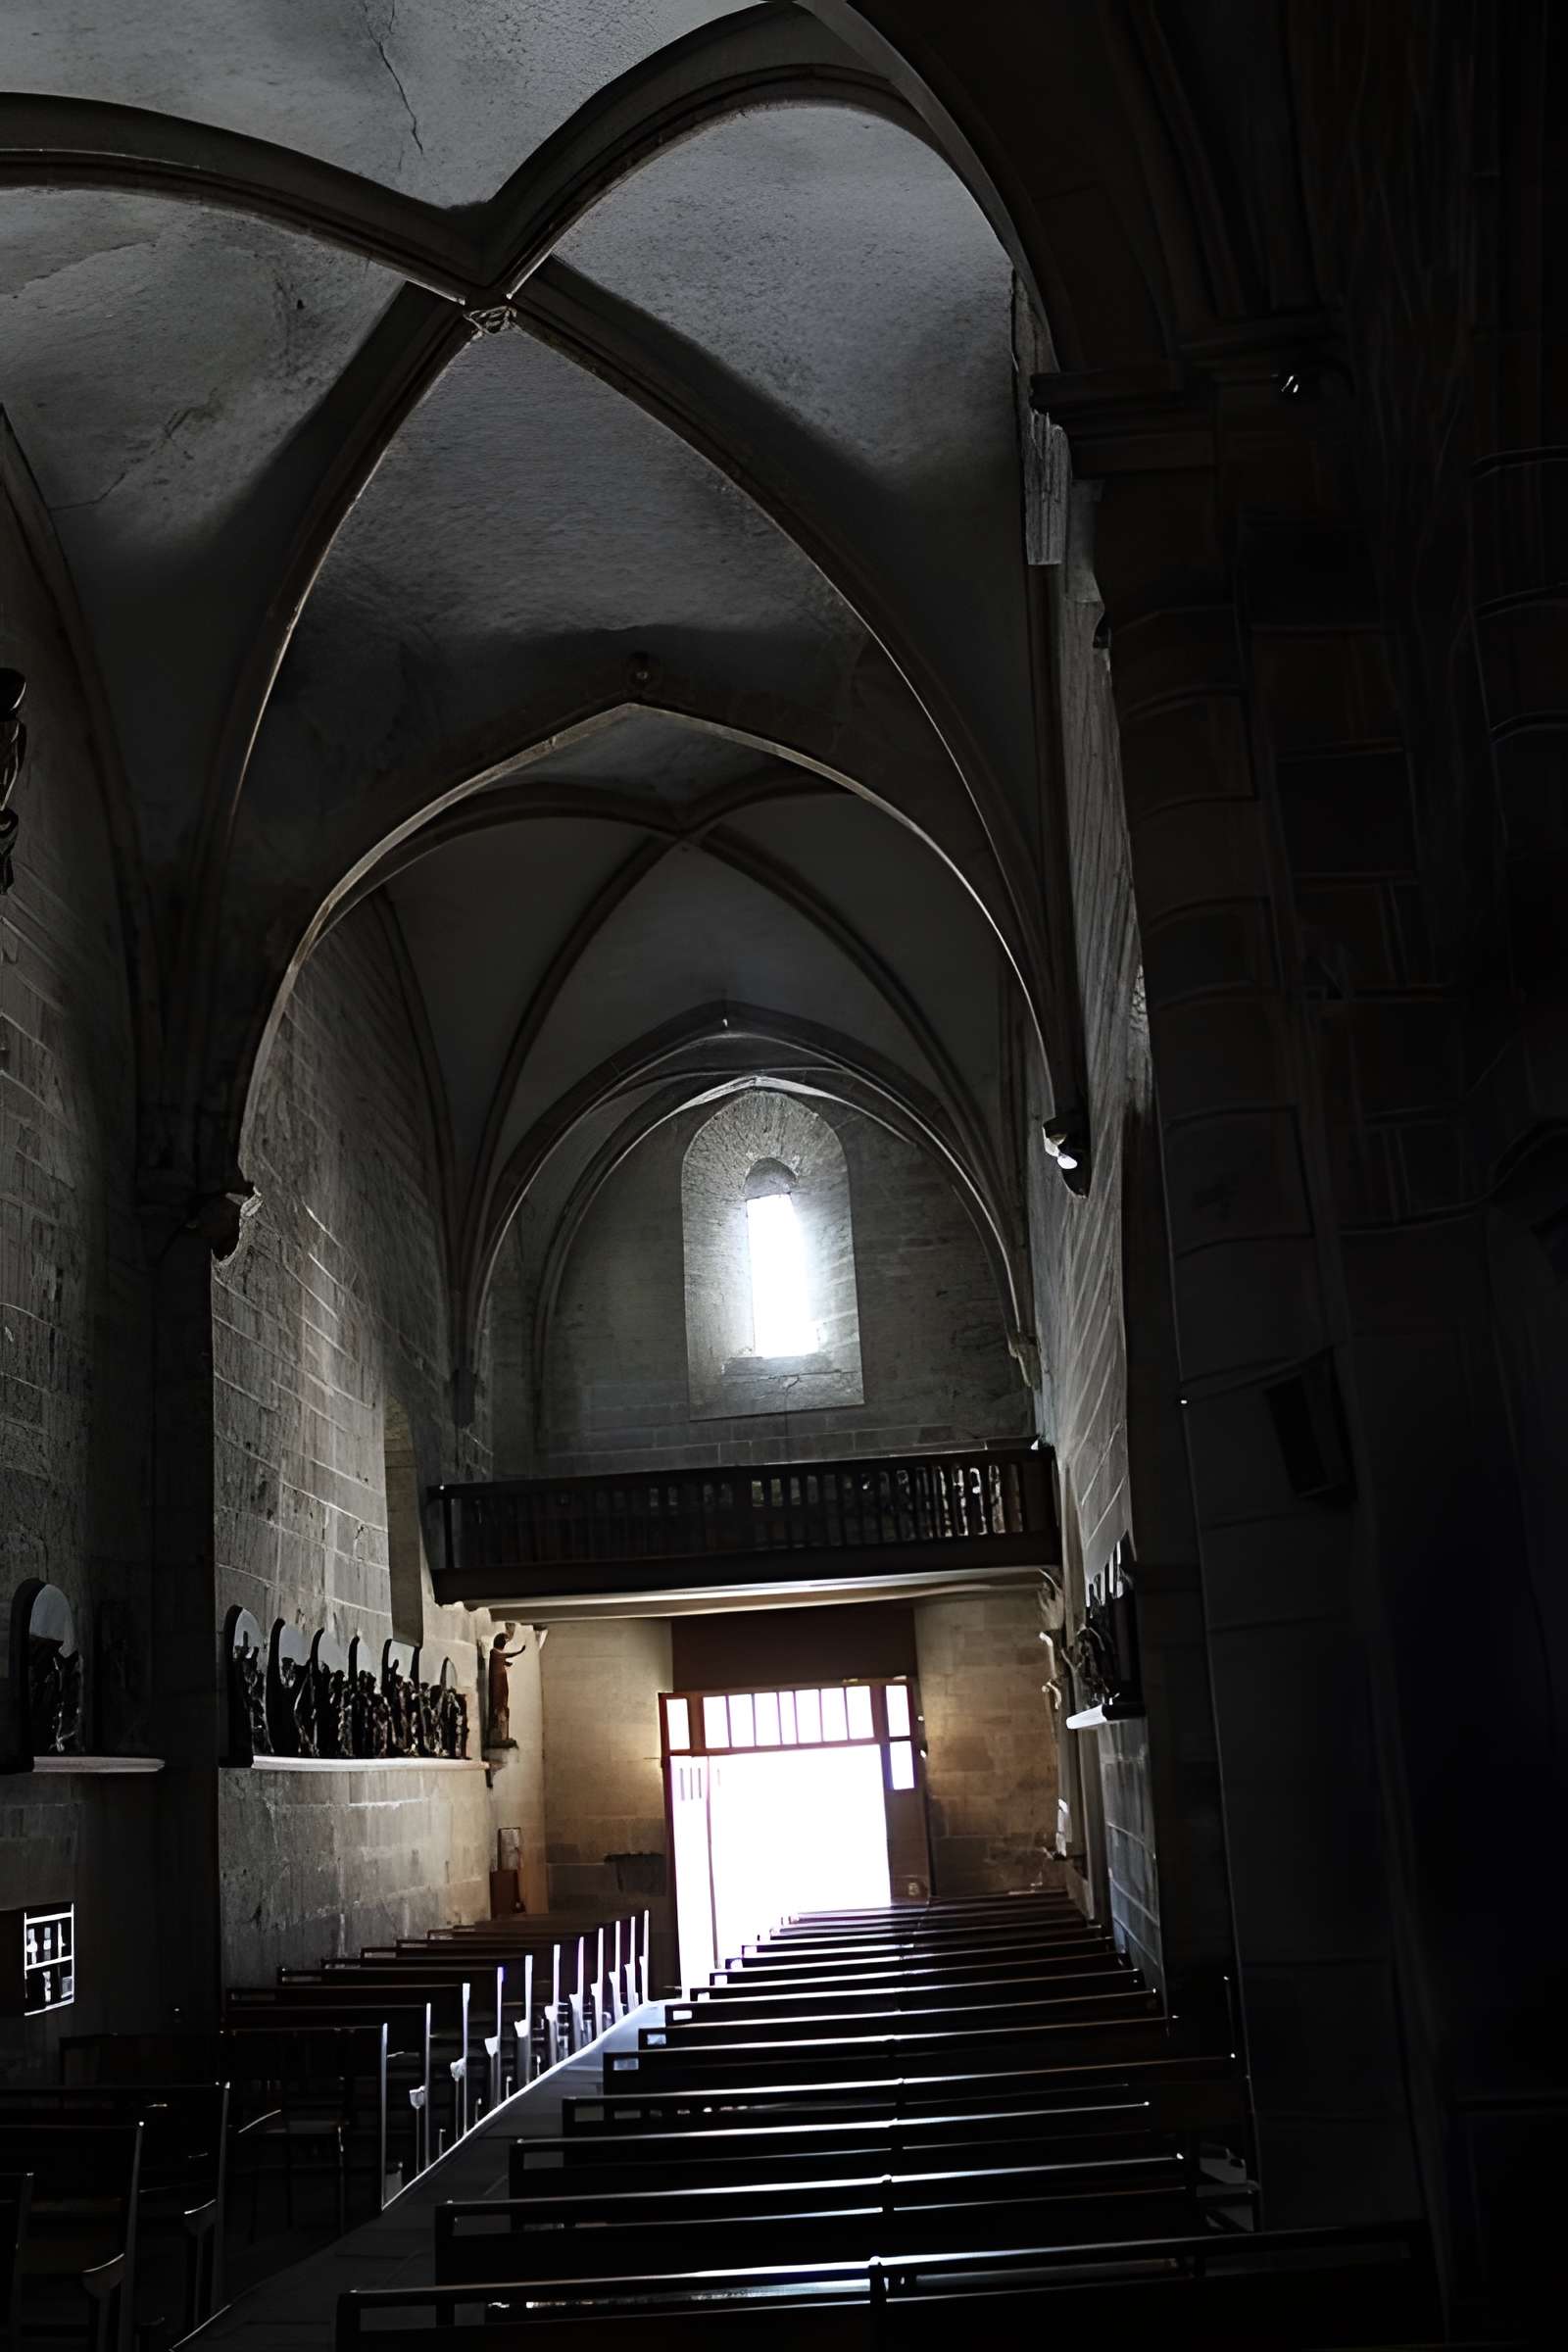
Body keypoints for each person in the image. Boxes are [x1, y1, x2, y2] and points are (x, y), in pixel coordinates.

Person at [486, 1626, 527, 1747]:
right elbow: (505, 1656)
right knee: (499, 1703)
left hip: (501, 1679)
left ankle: (503, 1735)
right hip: (498, 1681)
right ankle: (500, 1735)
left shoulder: (497, 1654)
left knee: (503, 1702)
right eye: (505, 1641)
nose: (505, 1644)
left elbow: (502, 1660)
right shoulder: (494, 1652)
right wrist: (520, 1651)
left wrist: (506, 1663)